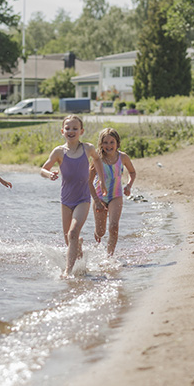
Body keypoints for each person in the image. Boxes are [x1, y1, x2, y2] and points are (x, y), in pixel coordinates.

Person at [40, 115, 106, 276]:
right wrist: (50, 175)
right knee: (69, 240)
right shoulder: (59, 152)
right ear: (62, 131)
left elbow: (97, 160)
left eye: (75, 128)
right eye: (68, 128)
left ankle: (68, 272)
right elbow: (43, 169)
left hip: (83, 199)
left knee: (72, 233)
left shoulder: (87, 149)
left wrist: (101, 180)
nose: (71, 131)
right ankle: (81, 265)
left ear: (81, 131)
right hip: (65, 201)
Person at [88, 127, 137, 257]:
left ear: (117, 143)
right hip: (100, 198)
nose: (108, 145)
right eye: (105, 142)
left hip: (116, 196)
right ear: (101, 143)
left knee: (114, 227)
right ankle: (96, 233)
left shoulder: (123, 157)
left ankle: (109, 257)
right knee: (101, 232)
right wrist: (97, 201)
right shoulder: (97, 159)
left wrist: (128, 185)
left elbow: (132, 172)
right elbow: (88, 182)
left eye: (112, 142)